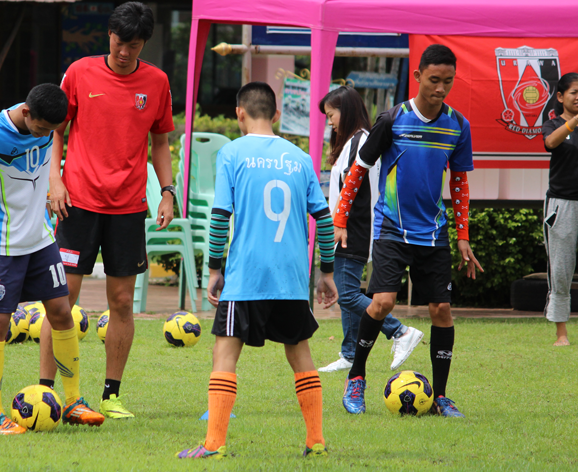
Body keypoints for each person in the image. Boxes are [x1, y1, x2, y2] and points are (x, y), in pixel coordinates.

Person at [176, 82, 338, 460]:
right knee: (300, 355)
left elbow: (220, 217)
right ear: (277, 115)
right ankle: (316, 442)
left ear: (239, 114)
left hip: (247, 275)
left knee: (224, 355)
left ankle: (214, 444)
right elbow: (325, 220)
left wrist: (214, 267)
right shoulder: (299, 158)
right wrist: (326, 272)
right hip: (292, 278)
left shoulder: (232, 153)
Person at [334, 44, 483, 418]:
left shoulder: (457, 125)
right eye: (434, 80)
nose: (440, 88)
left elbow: (460, 184)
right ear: (417, 77)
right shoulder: (392, 120)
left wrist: (462, 235)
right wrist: (339, 220)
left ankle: (442, 397)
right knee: (382, 303)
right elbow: (358, 170)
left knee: (442, 309)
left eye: (447, 81)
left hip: (434, 234)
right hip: (392, 230)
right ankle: (356, 378)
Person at [0, 84, 105, 434]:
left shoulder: (47, 126)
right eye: (42, 128)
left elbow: (43, 164)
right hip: (0, 245)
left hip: (41, 240)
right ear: (26, 112)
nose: (47, 135)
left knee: (63, 313)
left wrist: (51, 190)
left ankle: (74, 401)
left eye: (52, 130)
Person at [47, 1, 175, 419]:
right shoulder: (80, 73)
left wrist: (168, 191)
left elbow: (160, 143)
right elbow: (56, 132)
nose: (125, 53)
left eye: (134, 46)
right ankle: (48, 392)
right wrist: (55, 178)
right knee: (62, 298)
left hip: (127, 207)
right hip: (77, 201)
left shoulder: (156, 83)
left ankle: (110, 395)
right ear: (109, 36)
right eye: (120, 43)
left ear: (144, 44)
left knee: (121, 301)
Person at [317, 86, 422, 373]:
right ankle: (350, 352)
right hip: (349, 227)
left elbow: (358, 192)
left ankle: (400, 331)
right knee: (347, 290)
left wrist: (342, 226)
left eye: (332, 114)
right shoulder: (351, 142)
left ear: (347, 111)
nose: (330, 121)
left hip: (353, 228)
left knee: (347, 292)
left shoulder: (359, 141)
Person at [542, 72, 578, 347]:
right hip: (562, 204)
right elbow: (550, 143)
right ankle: (561, 333)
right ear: (560, 96)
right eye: (575, 92)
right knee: (562, 269)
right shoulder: (553, 123)